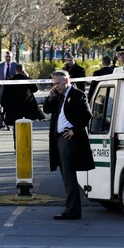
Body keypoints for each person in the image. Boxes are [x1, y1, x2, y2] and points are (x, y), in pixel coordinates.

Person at [43, 70, 94, 220]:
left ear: (67, 81)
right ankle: (71, 208)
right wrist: (50, 97)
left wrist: (74, 130)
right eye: (54, 84)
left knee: (69, 174)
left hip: (69, 138)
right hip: (58, 138)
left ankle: (72, 210)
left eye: (58, 83)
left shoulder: (77, 95)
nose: (56, 86)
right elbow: (46, 109)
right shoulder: (58, 95)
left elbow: (87, 114)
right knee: (65, 174)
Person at [0, 64, 44, 152]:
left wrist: (4, 108)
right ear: (23, 70)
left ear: (15, 70)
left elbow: (5, 96)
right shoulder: (27, 80)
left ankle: (17, 147)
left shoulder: (10, 81)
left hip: (14, 109)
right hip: (26, 108)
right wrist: (28, 77)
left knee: (16, 129)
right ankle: (27, 146)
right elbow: (35, 89)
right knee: (27, 127)